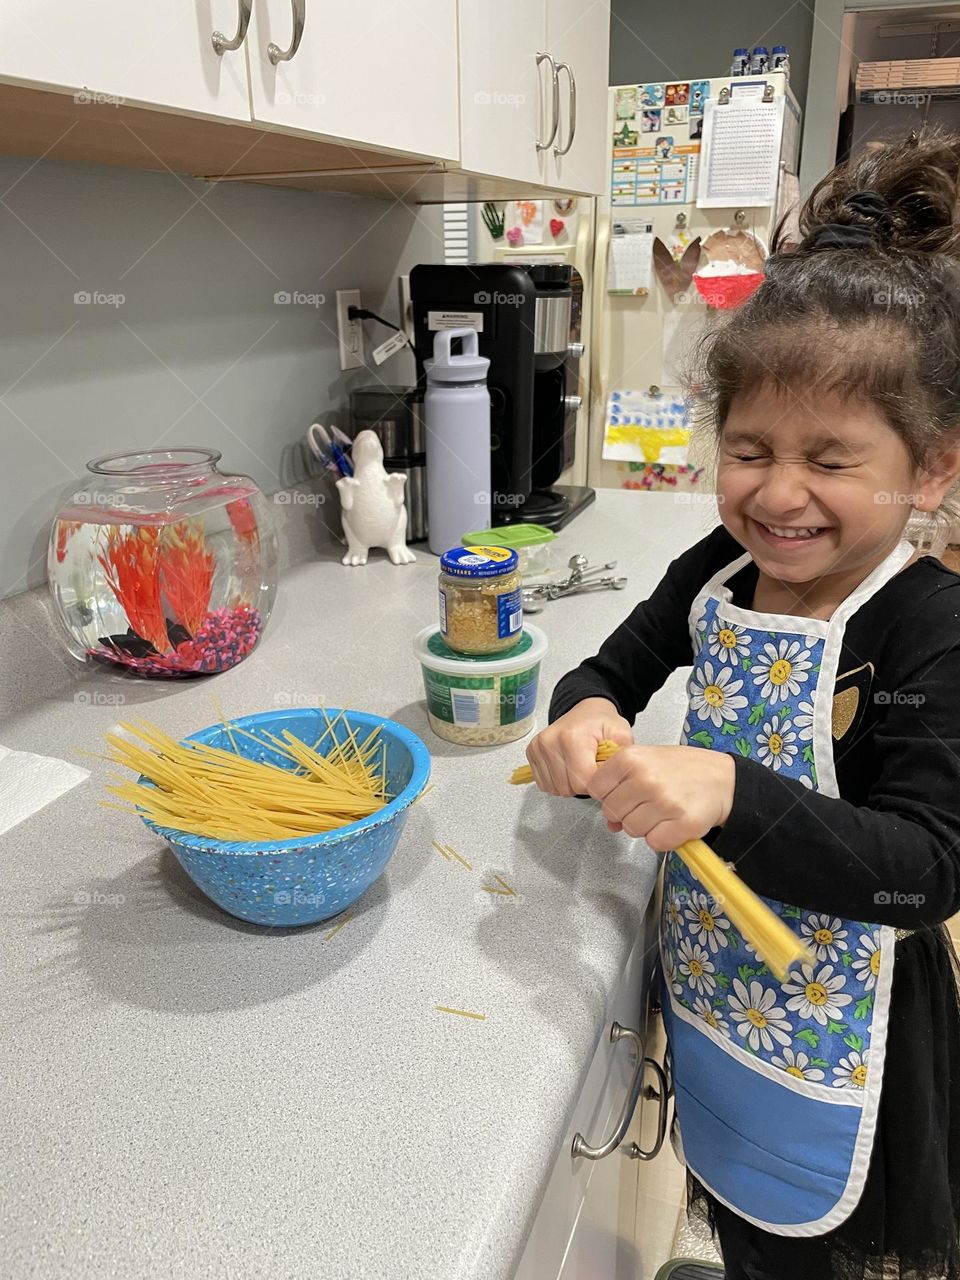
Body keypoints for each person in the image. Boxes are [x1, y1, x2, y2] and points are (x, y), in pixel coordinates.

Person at [525, 129, 960, 1279]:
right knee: (741, 1225)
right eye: (750, 447)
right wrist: (583, 718)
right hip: (716, 988)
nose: (777, 492)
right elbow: (608, 671)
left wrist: (725, 788)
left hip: (844, 1035)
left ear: (930, 468)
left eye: (831, 457)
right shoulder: (717, 567)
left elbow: (925, 866)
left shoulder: (930, 627)